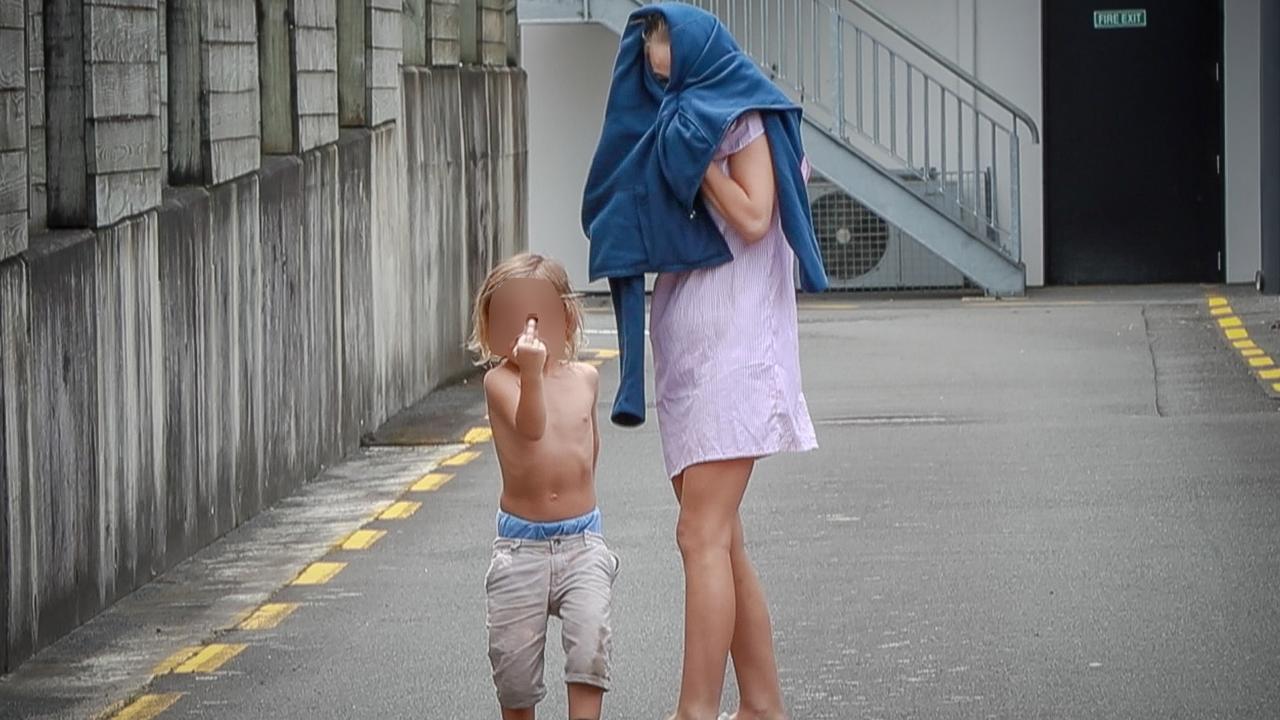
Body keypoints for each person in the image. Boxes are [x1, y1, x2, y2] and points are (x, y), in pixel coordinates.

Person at [582, 6, 828, 720]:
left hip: (739, 345)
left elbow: (755, 216)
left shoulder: (742, 112)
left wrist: (701, 162)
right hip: (691, 344)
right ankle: (762, 705)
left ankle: (694, 712)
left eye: (669, 60)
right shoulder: (683, 113)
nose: (662, 75)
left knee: (700, 534)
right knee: (723, 537)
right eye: (655, 67)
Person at [469, 253, 621, 720]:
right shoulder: (502, 381)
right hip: (521, 549)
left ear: (564, 318)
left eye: (535, 317)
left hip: (581, 541)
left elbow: (587, 448)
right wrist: (532, 373)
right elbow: (531, 428)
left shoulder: (586, 378)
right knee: (514, 673)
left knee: (589, 651)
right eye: (510, 319)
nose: (525, 330)